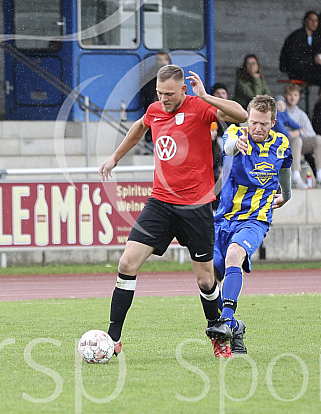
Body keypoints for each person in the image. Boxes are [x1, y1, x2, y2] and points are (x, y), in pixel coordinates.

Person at [98, 65, 248, 358]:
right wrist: (114, 158)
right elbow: (140, 126)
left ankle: (217, 333)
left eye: (169, 94)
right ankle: (113, 338)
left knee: (206, 280)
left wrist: (205, 95)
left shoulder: (200, 107)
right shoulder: (155, 110)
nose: (163, 99)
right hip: (161, 203)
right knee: (127, 264)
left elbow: (241, 115)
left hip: (196, 207)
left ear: (183, 90)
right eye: (159, 93)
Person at [212, 95, 292, 356]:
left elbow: (285, 168)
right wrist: (237, 144)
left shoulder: (281, 144)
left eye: (263, 124)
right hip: (223, 219)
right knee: (209, 279)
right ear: (247, 117)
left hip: (255, 219)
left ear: (273, 122)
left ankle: (225, 321)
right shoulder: (235, 132)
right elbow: (227, 148)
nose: (257, 128)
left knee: (235, 255)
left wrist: (287, 194)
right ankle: (235, 327)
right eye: (253, 122)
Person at [283, 83, 321, 189]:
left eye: (295, 95)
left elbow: (311, 133)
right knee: (296, 140)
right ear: (285, 96)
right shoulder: (280, 111)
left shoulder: (301, 114)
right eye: (290, 95)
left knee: (318, 140)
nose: (292, 98)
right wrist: (291, 134)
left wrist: (299, 132)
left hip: (299, 144)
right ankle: (296, 178)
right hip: (283, 144)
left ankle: (320, 178)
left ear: (299, 97)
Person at [279, 11, 321, 85]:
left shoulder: (317, 37)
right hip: (296, 71)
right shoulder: (295, 37)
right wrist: (313, 60)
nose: (314, 23)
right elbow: (293, 59)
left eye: (316, 21)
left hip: (310, 69)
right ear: (305, 21)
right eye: (312, 20)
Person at [210, 82, 230, 209]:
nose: (221, 96)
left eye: (223, 93)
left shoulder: (231, 113)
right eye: (218, 93)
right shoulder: (209, 112)